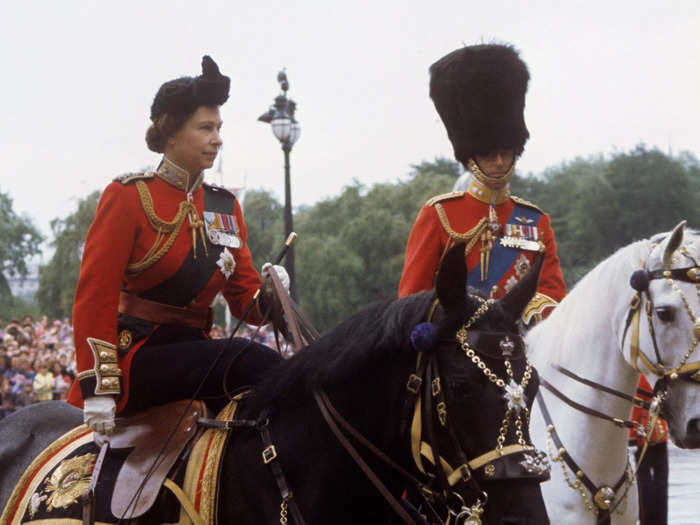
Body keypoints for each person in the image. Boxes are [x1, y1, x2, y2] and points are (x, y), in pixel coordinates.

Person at [66, 56, 288, 435]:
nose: (217, 138)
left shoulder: (225, 205)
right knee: (247, 359)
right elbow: (95, 296)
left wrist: (270, 293)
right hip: (138, 356)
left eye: (219, 127)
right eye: (205, 128)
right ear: (171, 133)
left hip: (197, 351)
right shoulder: (128, 196)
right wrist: (98, 385)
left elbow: (244, 302)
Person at [398, 44, 566, 323]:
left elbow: (553, 295)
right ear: (471, 156)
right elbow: (411, 299)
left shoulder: (535, 221)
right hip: (457, 348)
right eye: (490, 154)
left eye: (506, 153)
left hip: (519, 344)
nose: (500, 162)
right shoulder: (439, 214)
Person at [629, 374, 669, 525]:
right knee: (659, 481)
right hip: (659, 431)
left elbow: (635, 406)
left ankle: (649, 521)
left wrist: (632, 437)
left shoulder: (640, 377)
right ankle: (660, 521)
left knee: (645, 482)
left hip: (643, 433)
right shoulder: (658, 375)